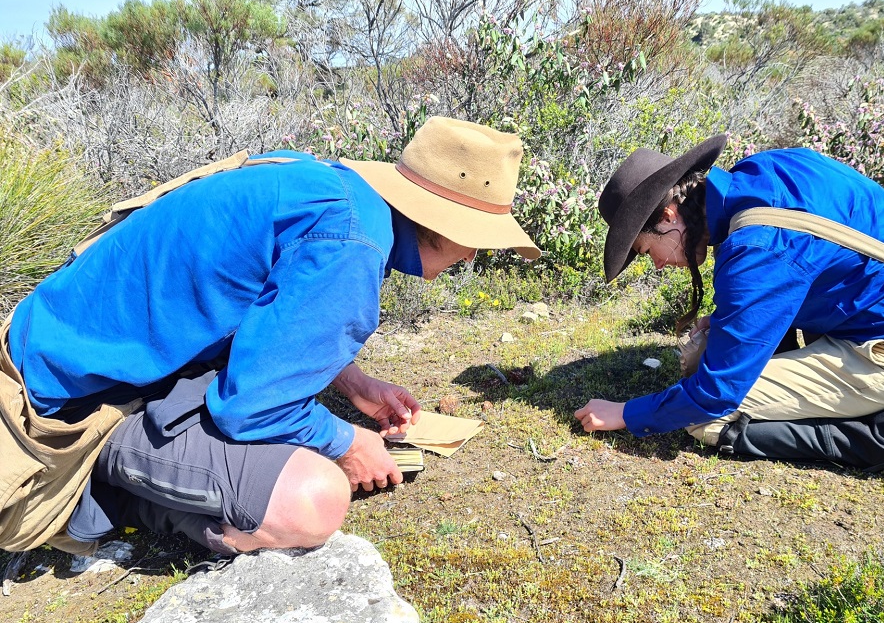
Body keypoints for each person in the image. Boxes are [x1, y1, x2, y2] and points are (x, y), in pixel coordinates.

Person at [5, 116, 540, 555]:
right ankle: (97, 495)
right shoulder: (354, 242)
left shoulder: (332, 190)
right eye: (474, 240)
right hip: (59, 411)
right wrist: (349, 443)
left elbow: (254, 305)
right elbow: (250, 409)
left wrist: (353, 385)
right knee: (313, 499)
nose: (473, 255)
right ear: (440, 223)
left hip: (60, 350)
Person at [574, 135, 884, 492]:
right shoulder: (767, 171)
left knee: (708, 420)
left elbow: (715, 392)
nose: (660, 265)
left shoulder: (753, 250)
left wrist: (626, 413)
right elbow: (807, 266)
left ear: (668, 216)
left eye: (649, 250)